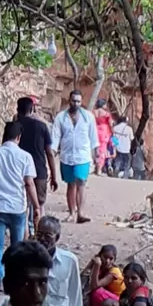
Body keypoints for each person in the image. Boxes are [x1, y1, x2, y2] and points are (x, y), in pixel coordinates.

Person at [0, 120, 41, 293]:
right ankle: (14, 281)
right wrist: (36, 206)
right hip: (17, 208)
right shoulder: (25, 157)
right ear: (19, 137)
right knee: (16, 246)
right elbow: (29, 183)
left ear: (4, 135)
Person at [35, 215, 86, 306]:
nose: (42, 239)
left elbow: (75, 295)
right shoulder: (29, 257)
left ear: (57, 237)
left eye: (48, 235)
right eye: (39, 234)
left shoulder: (69, 261)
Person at [50, 90, 100, 225]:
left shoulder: (88, 117)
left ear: (81, 102)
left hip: (83, 156)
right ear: (69, 100)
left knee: (81, 183)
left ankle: (80, 213)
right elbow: (55, 137)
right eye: (73, 101)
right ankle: (71, 213)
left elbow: (93, 137)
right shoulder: (61, 117)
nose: (76, 103)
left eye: (78, 101)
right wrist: (52, 151)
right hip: (66, 156)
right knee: (70, 185)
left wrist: (97, 154)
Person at [15, 94, 58, 213]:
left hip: (18, 171)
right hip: (39, 171)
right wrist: (53, 176)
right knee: (39, 206)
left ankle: (24, 231)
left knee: (22, 206)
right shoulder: (42, 126)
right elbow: (49, 153)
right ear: (32, 109)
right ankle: (39, 230)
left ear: (17, 110)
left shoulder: (14, 127)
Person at [95, 105, 115, 174]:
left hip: (96, 131)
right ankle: (99, 169)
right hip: (104, 132)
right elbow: (111, 124)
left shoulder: (93, 112)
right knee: (102, 151)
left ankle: (95, 167)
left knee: (96, 150)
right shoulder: (106, 114)